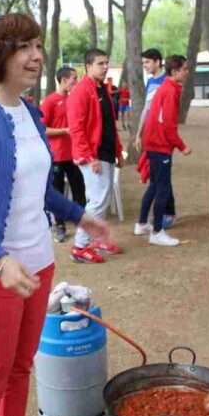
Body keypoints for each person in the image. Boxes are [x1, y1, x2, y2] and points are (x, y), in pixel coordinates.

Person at [0, 13, 108, 416]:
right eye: (24, 47)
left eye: (38, 46)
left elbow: (37, 188)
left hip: (38, 265)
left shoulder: (30, 113)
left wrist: (79, 215)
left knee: (20, 369)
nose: (36, 56)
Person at [67, 48, 125, 264]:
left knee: (103, 199)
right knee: (97, 201)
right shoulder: (81, 91)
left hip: (106, 153)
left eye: (106, 62)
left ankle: (97, 240)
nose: (105, 66)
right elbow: (77, 128)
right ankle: (80, 246)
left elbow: (109, 124)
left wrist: (118, 151)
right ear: (88, 66)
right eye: (100, 63)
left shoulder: (102, 90)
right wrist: (89, 157)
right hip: (93, 156)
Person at [136, 55, 191, 246]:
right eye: (184, 69)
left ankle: (142, 223)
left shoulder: (168, 87)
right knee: (163, 188)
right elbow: (168, 124)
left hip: (155, 143)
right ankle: (157, 232)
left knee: (155, 185)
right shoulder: (169, 90)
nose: (187, 72)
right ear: (174, 71)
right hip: (159, 146)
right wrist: (181, 146)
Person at [41, 66, 87, 243]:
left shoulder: (74, 99)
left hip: (74, 153)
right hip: (57, 155)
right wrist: (65, 130)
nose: (76, 82)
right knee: (58, 191)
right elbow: (43, 128)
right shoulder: (51, 101)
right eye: (74, 78)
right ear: (64, 80)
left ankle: (82, 221)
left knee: (79, 189)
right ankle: (59, 226)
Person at [135, 48, 168, 145]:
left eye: (147, 62)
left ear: (157, 62)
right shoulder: (150, 81)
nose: (144, 66)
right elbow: (146, 108)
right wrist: (139, 134)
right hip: (150, 131)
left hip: (162, 133)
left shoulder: (168, 81)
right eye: (143, 63)